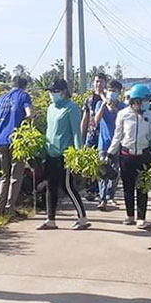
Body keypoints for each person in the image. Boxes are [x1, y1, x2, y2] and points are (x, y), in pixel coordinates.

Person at [39, 78, 90, 231]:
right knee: (51, 186)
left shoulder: (71, 108)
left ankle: (82, 218)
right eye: (50, 92)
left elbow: (76, 132)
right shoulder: (50, 108)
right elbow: (49, 130)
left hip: (65, 154)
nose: (52, 94)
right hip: (50, 152)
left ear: (63, 92)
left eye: (55, 91)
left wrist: (78, 153)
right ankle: (50, 220)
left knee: (67, 186)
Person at [108, 84, 151, 230]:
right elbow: (117, 135)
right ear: (135, 100)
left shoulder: (149, 115)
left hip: (143, 156)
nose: (146, 103)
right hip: (126, 155)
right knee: (127, 186)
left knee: (143, 188)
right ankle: (130, 215)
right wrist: (111, 153)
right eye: (144, 100)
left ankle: (141, 218)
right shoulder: (123, 114)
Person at [0, 76, 34, 217]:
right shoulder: (24, 96)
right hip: (16, 140)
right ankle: (10, 208)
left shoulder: (1, 99)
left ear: (11, 85)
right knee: (16, 175)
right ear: (24, 87)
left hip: (0, 139)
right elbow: (29, 114)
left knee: (5, 175)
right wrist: (28, 122)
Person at [94, 80, 126, 211]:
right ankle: (102, 199)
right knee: (102, 172)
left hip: (118, 144)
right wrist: (103, 105)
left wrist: (114, 109)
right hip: (103, 144)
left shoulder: (123, 107)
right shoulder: (99, 104)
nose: (112, 93)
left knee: (115, 172)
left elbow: (123, 120)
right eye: (110, 90)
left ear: (119, 93)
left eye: (115, 91)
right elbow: (96, 120)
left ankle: (109, 195)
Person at [81, 73, 108, 201]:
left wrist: (104, 96)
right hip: (91, 134)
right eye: (97, 82)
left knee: (102, 163)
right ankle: (90, 190)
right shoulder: (89, 100)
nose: (99, 84)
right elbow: (85, 118)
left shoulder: (108, 99)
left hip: (104, 135)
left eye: (101, 82)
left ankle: (101, 191)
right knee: (89, 162)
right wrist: (82, 136)